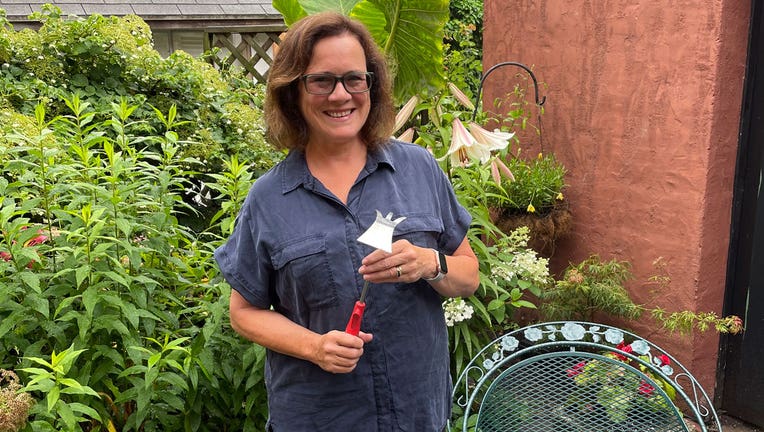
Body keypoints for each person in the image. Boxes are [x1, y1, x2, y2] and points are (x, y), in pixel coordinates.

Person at [214, 11, 479, 431]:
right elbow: (243, 312)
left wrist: (431, 263)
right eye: (322, 81)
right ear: (293, 92)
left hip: (416, 414)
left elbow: (468, 276)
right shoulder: (268, 198)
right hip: (319, 416)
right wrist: (315, 346)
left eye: (355, 79)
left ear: (371, 85)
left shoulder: (418, 168)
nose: (341, 95)